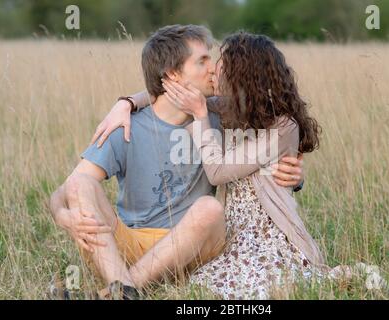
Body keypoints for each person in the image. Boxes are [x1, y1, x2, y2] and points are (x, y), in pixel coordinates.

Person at [49, 25, 304, 299]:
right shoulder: (125, 127)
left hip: (193, 248)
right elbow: (64, 192)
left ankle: (118, 291)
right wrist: (65, 218)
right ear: (172, 75)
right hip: (128, 245)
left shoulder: (216, 116)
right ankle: (122, 287)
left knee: (209, 208)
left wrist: (295, 176)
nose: (214, 69)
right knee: (79, 183)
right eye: (203, 61)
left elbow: (268, 131)